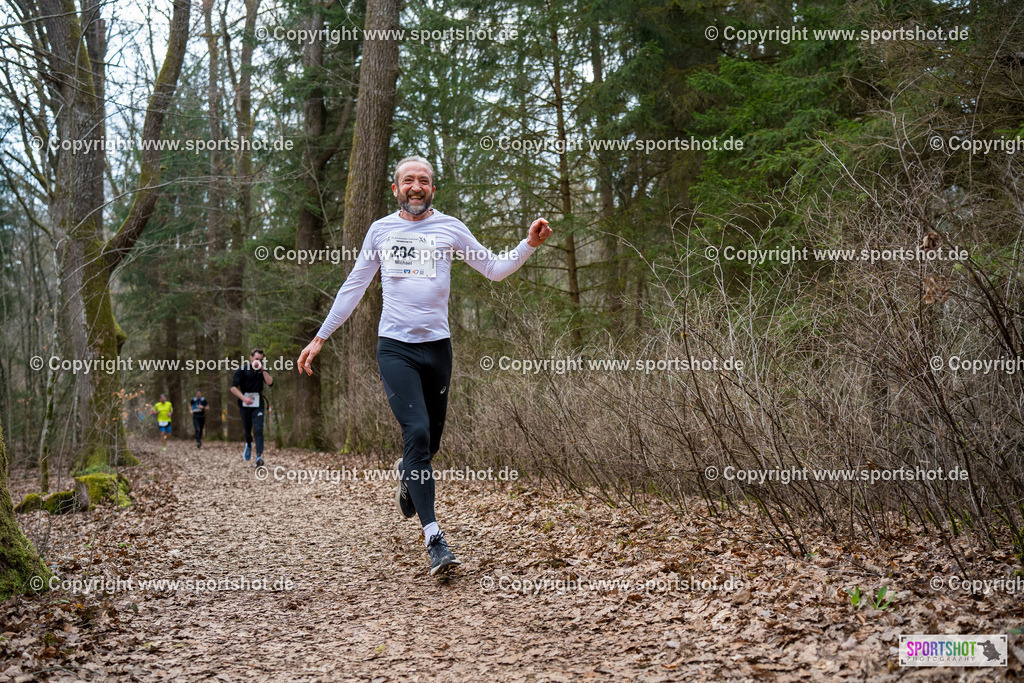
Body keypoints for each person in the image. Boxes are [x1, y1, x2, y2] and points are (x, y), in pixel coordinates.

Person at [298, 155, 551, 576]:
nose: (416, 186)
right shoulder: (380, 231)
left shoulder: (450, 228)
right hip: (395, 348)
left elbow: (493, 269)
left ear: (433, 188)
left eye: (424, 181)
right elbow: (354, 286)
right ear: (395, 188)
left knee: (428, 445)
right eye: (408, 180)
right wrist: (321, 336)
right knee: (414, 432)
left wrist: (528, 245)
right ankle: (434, 538)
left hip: (438, 350)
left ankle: (408, 474)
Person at [230, 349, 273, 467]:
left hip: (258, 403)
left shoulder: (262, 371)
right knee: (247, 430)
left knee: (258, 429)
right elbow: (233, 388)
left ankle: (259, 456)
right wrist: (244, 398)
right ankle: (248, 444)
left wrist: (263, 370)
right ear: (251, 358)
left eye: (260, 359)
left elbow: (270, 382)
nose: (258, 361)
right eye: (256, 359)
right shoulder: (242, 370)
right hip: (245, 404)